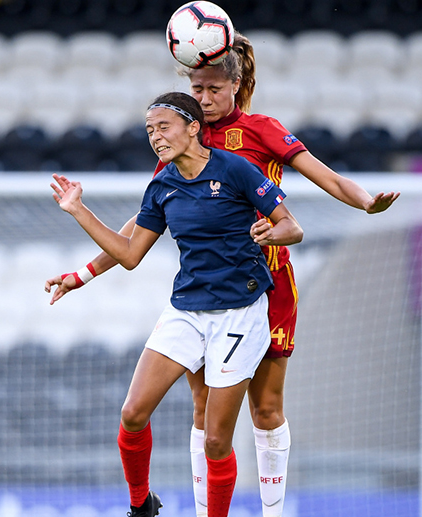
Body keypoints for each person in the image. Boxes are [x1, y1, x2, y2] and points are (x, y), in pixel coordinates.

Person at [46, 34, 400, 517]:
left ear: (237, 84)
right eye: (197, 89)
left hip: (265, 283)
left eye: (214, 89)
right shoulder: (180, 139)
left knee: (267, 408)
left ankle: (272, 511)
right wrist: (84, 273)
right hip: (202, 290)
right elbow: (142, 226)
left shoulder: (261, 131)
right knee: (203, 415)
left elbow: (325, 178)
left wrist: (365, 202)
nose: (205, 98)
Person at [46, 91, 304, 517]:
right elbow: (129, 255)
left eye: (163, 126)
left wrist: (274, 234)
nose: (156, 137)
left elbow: (291, 226)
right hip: (187, 309)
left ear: (193, 127)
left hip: (240, 314)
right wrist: (78, 210)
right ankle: (141, 505)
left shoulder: (236, 169)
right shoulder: (163, 183)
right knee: (132, 413)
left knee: (217, 440)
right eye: (149, 130)